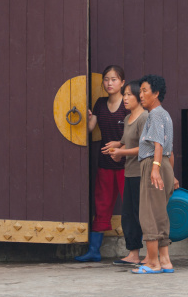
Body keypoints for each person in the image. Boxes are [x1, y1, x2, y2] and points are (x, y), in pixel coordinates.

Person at [75, 65, 129, 262]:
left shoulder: (128, 104)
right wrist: (88, 119)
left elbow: (137, 134)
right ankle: (94, 251)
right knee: (102, 206)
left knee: (132, 208)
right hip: (105, 163)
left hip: (126, 164)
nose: (109, 83)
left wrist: (121, 144)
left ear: (122, 82)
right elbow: (90, 129)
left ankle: (136, 253)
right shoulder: (99, 103)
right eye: (106, 79)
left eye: (114, 79)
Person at [132, 74, 180, 274]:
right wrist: (170, 173)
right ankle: (165, 261)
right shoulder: (165, 114)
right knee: (160, 214)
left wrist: (155, 168)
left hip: (154, 164)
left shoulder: (155, 114)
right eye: (140, 91)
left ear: (156, 93)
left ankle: (152, 262)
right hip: (164, 165)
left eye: (145, 91)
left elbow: (158, 144)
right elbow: (170, 149)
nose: (140, 95)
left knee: (149, 214)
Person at [107, 80, 148, 265]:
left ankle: (152, 254)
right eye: (124, 94)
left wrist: (121, 152)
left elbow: (144, 148)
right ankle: (133, 254)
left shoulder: (145, 118)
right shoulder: (127, 118)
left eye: (129, 94)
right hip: (130, 172)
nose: (124, 98)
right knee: (128, 215)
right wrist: (117, 151)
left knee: (144, 214)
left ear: (140, 97)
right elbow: (126, 143)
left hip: (142, 173)